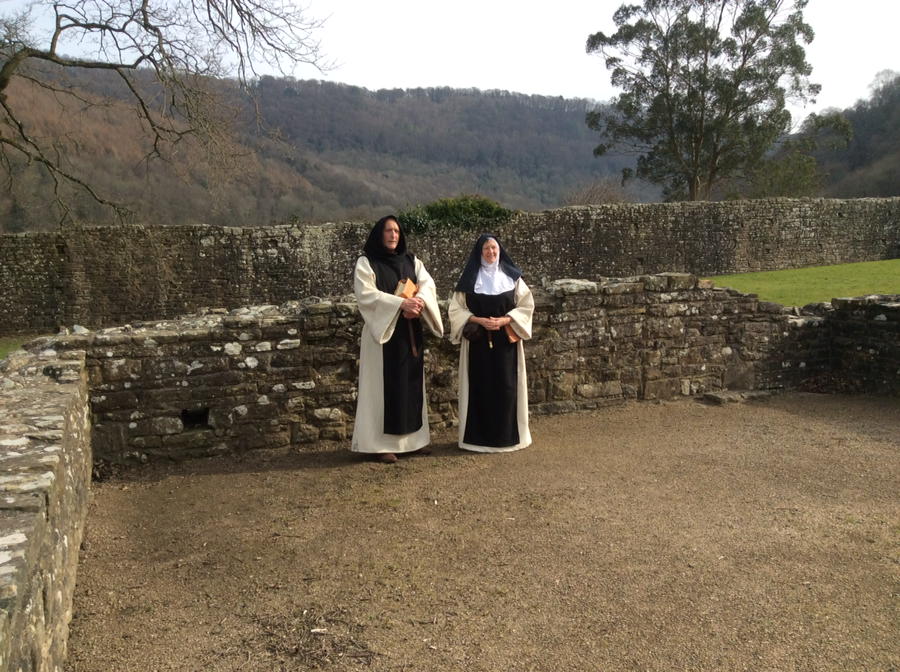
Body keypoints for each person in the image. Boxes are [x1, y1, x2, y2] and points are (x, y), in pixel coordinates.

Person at [351, 215, 443, 462]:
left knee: (410, 386)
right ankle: (380, 446)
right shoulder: (366, 262)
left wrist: (418, 302)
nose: (393, 235)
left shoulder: (411, 261)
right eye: (388, 231)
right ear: (379, 234)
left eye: (396, 231)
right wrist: (401, 304)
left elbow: (428, 285)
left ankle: (413, 442)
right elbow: (366, 295)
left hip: (409, 332)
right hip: (382, 334)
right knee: (382, 389)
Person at [449, 234, 534, 452]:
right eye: (486, 249)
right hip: (477, 344)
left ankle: (507, 438)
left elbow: (527, 305)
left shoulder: (513, 278)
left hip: (506, 342)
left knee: (507, 387)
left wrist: (505, 319)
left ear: (500, 251)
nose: (491, 253)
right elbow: (456, 310)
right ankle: (477, 440)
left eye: (494, 248)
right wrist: (478, 320)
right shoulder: (469, 280)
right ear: (480, 252)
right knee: (480, 387)